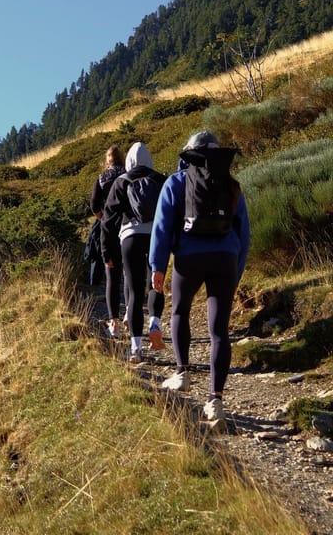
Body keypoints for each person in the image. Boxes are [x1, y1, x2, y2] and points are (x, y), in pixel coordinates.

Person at [149, 131, 250, 424]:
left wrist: (158, 266)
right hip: (225, 260)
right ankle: (215, 400)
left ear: (189, 154)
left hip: (188, 259)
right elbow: (244, 233)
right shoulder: (231, 185)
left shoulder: (176, 182)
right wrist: (236, 270)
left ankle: (182, 372)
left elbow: (162, 226)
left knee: (179, 310)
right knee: (219, 330)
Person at [101, 141, 166, 361]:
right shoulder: (161, 180)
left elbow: (108, 222)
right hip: (156, 237)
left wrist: (107, 252)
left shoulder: (121, 181)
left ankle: (136, 348)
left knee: (135, 290)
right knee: (156, 283)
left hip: (129, 237)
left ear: (128, 161)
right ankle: (155, 323)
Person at [90, 145, 125, 336]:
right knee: (129, 274)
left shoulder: (102, 178)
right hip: (128, 227)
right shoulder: (128, 174)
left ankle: (114, 322)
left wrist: (104, 218)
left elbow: (94, 204)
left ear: (107, 160)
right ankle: (130, 313)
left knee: (112, 275)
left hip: (109, 230)